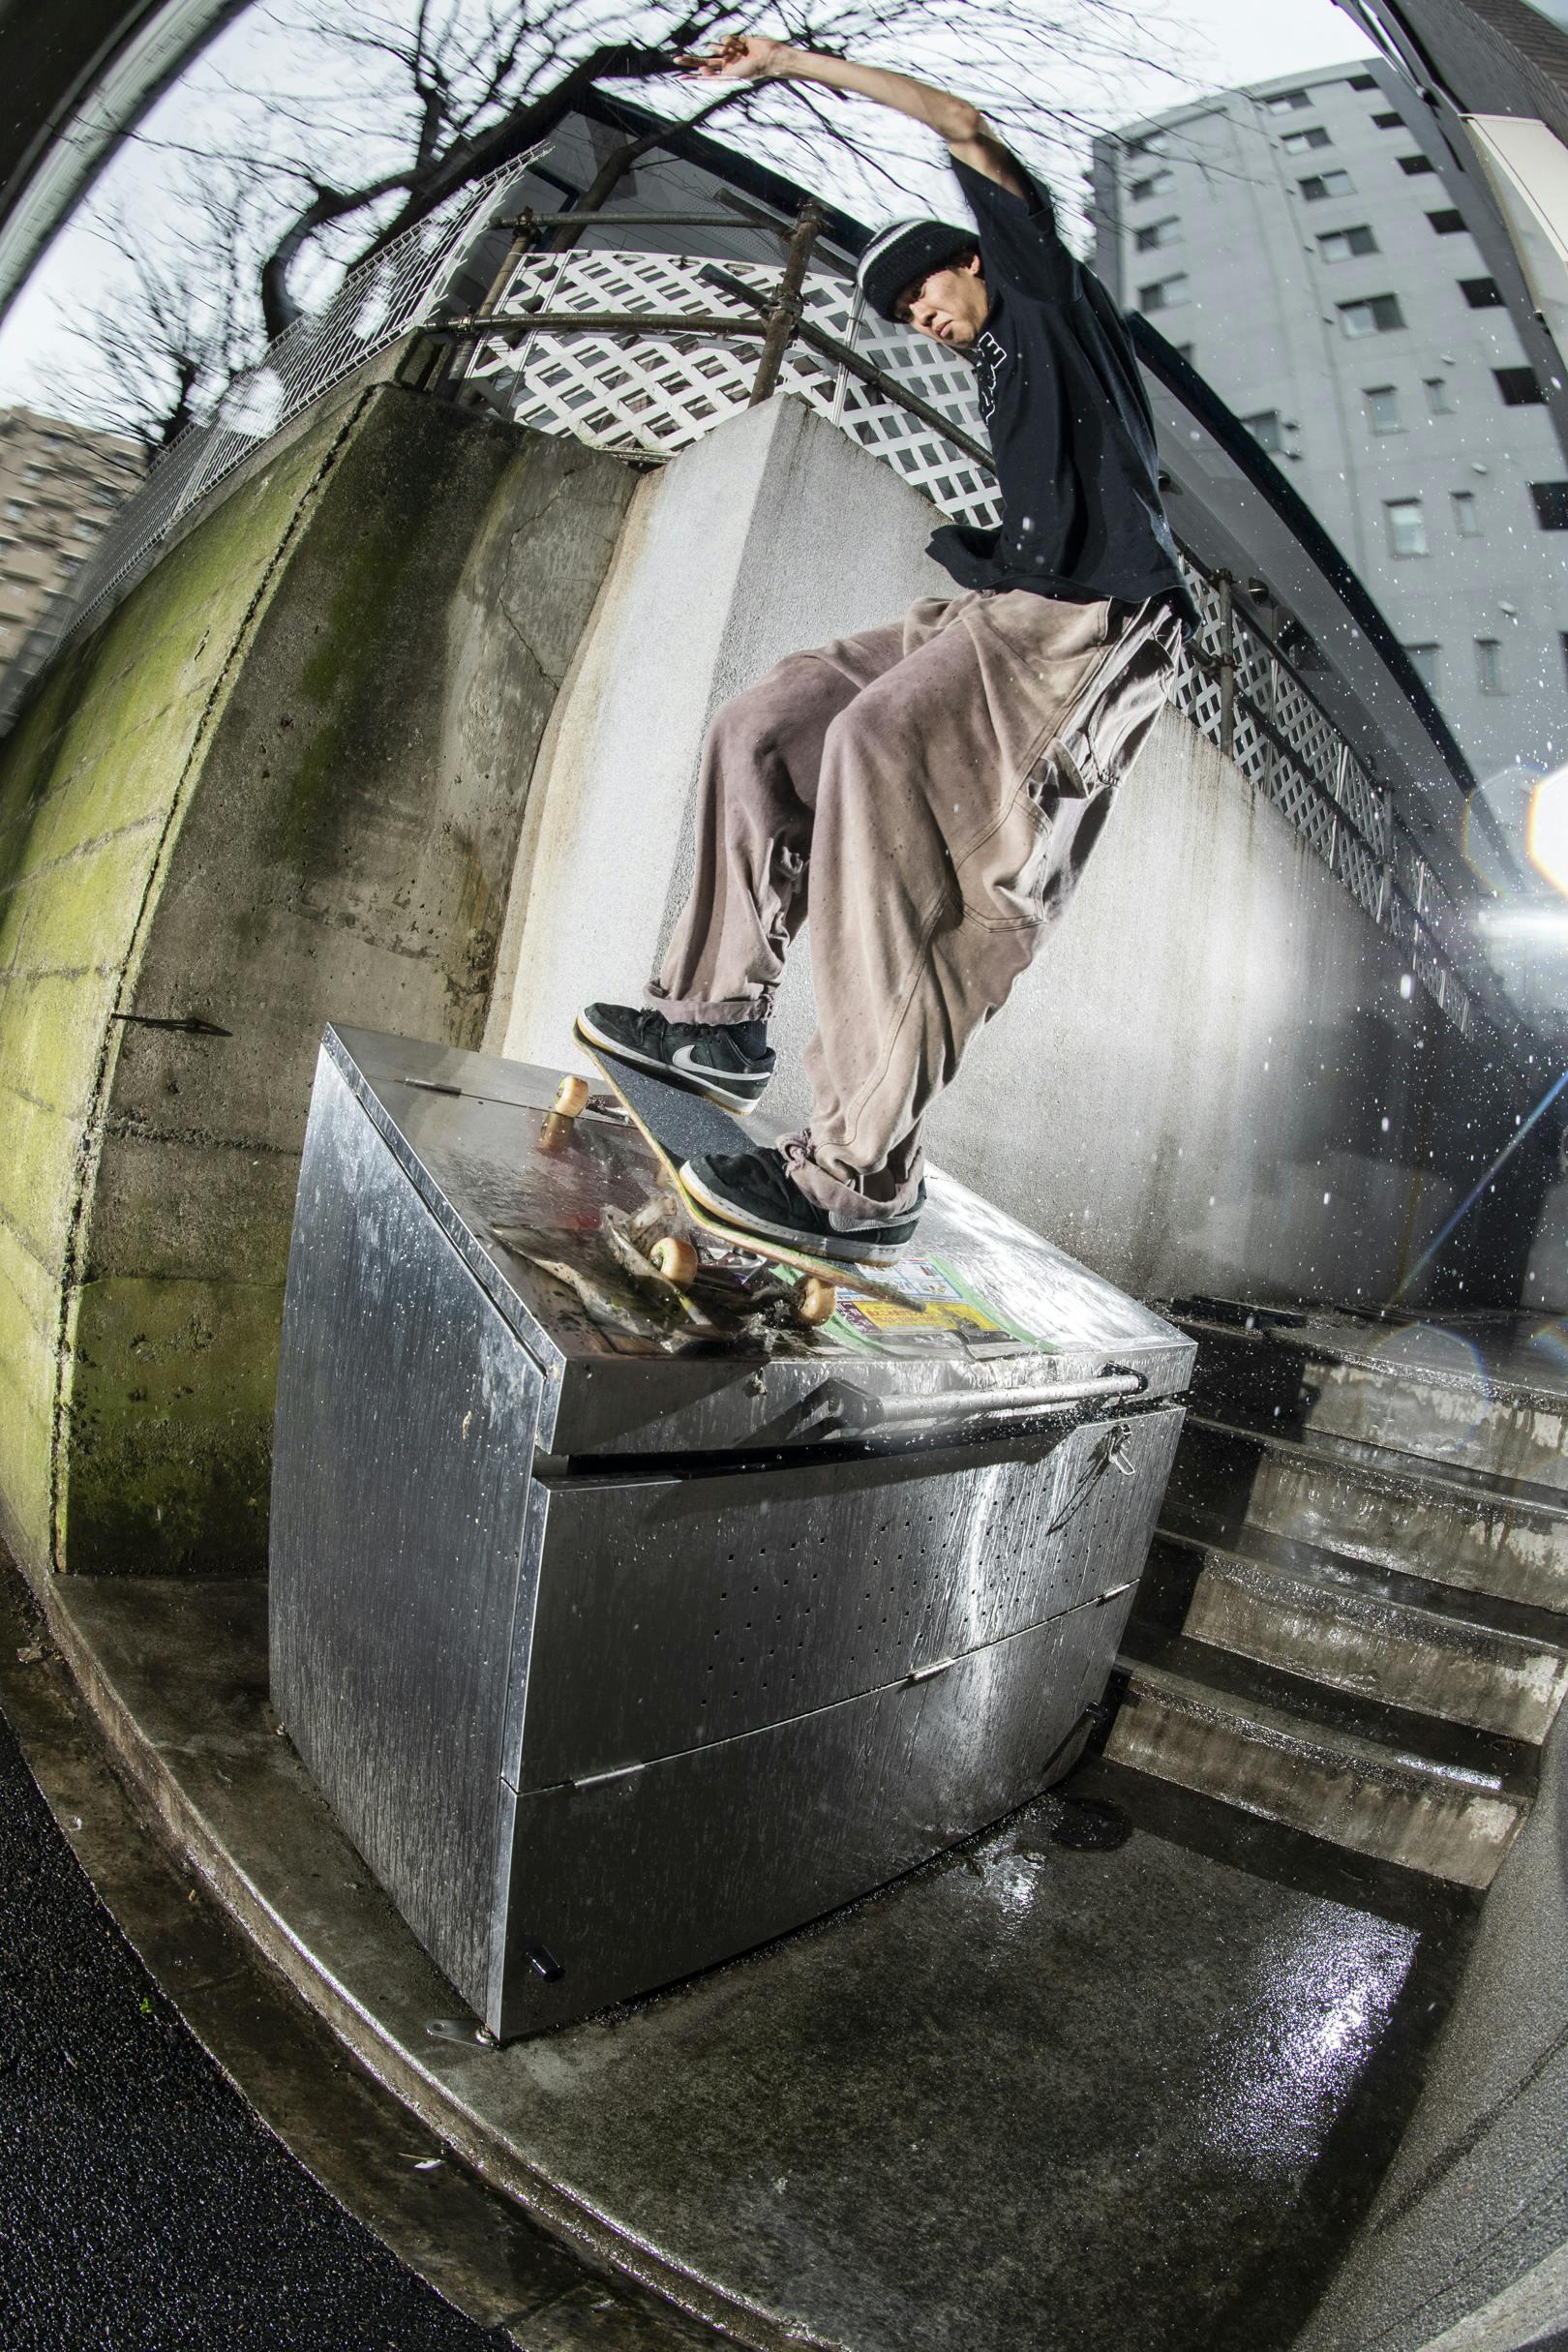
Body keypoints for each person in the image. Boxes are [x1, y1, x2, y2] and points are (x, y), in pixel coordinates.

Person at [578, 32, 1195, 1264]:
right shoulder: (993, 357)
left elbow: (959, 119)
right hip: (993, 609)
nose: (930, 323)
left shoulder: (1040, 294)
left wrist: (791, 64)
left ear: (972, 260)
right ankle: (712, 1013)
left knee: (881, 762)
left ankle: (858, 1170)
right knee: (772, 720)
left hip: (1085, 628)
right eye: (912, 319)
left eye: (928, 298)